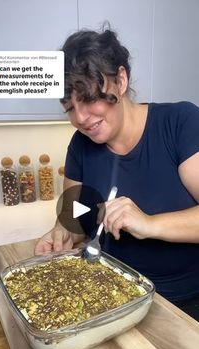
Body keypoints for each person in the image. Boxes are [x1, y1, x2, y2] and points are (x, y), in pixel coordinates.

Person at [35, 27, 199, 320]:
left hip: (185, 307)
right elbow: (77, 218)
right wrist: (62, 233)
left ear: (120, 80)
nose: (80, 118)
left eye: (87, 98)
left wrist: (149, 223)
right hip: (113, 299)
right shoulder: (81, 146)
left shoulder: (181, 123)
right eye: (69, 107)